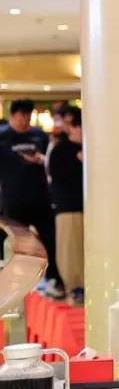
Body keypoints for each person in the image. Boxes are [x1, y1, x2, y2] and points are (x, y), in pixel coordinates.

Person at [0, 99, 63, 298]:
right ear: (12, 116)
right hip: (13, 200)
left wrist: (40, 159)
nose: (25, 121)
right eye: (21, 117)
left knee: (50, 241)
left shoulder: (38, 135)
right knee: (15, 244)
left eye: (28, 117)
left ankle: (54, 279)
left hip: (40, 199)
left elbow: (51, 160)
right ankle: (13, 284)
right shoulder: (2, 137)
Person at [47, 105, 85, 304]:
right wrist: (78, 161)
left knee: (85, 249)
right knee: (70, 250)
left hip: (89, 209)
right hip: (68, 207)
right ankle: (75, 287)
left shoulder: (90, 149)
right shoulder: (61, 150)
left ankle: (86, 286)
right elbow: (57, 176)